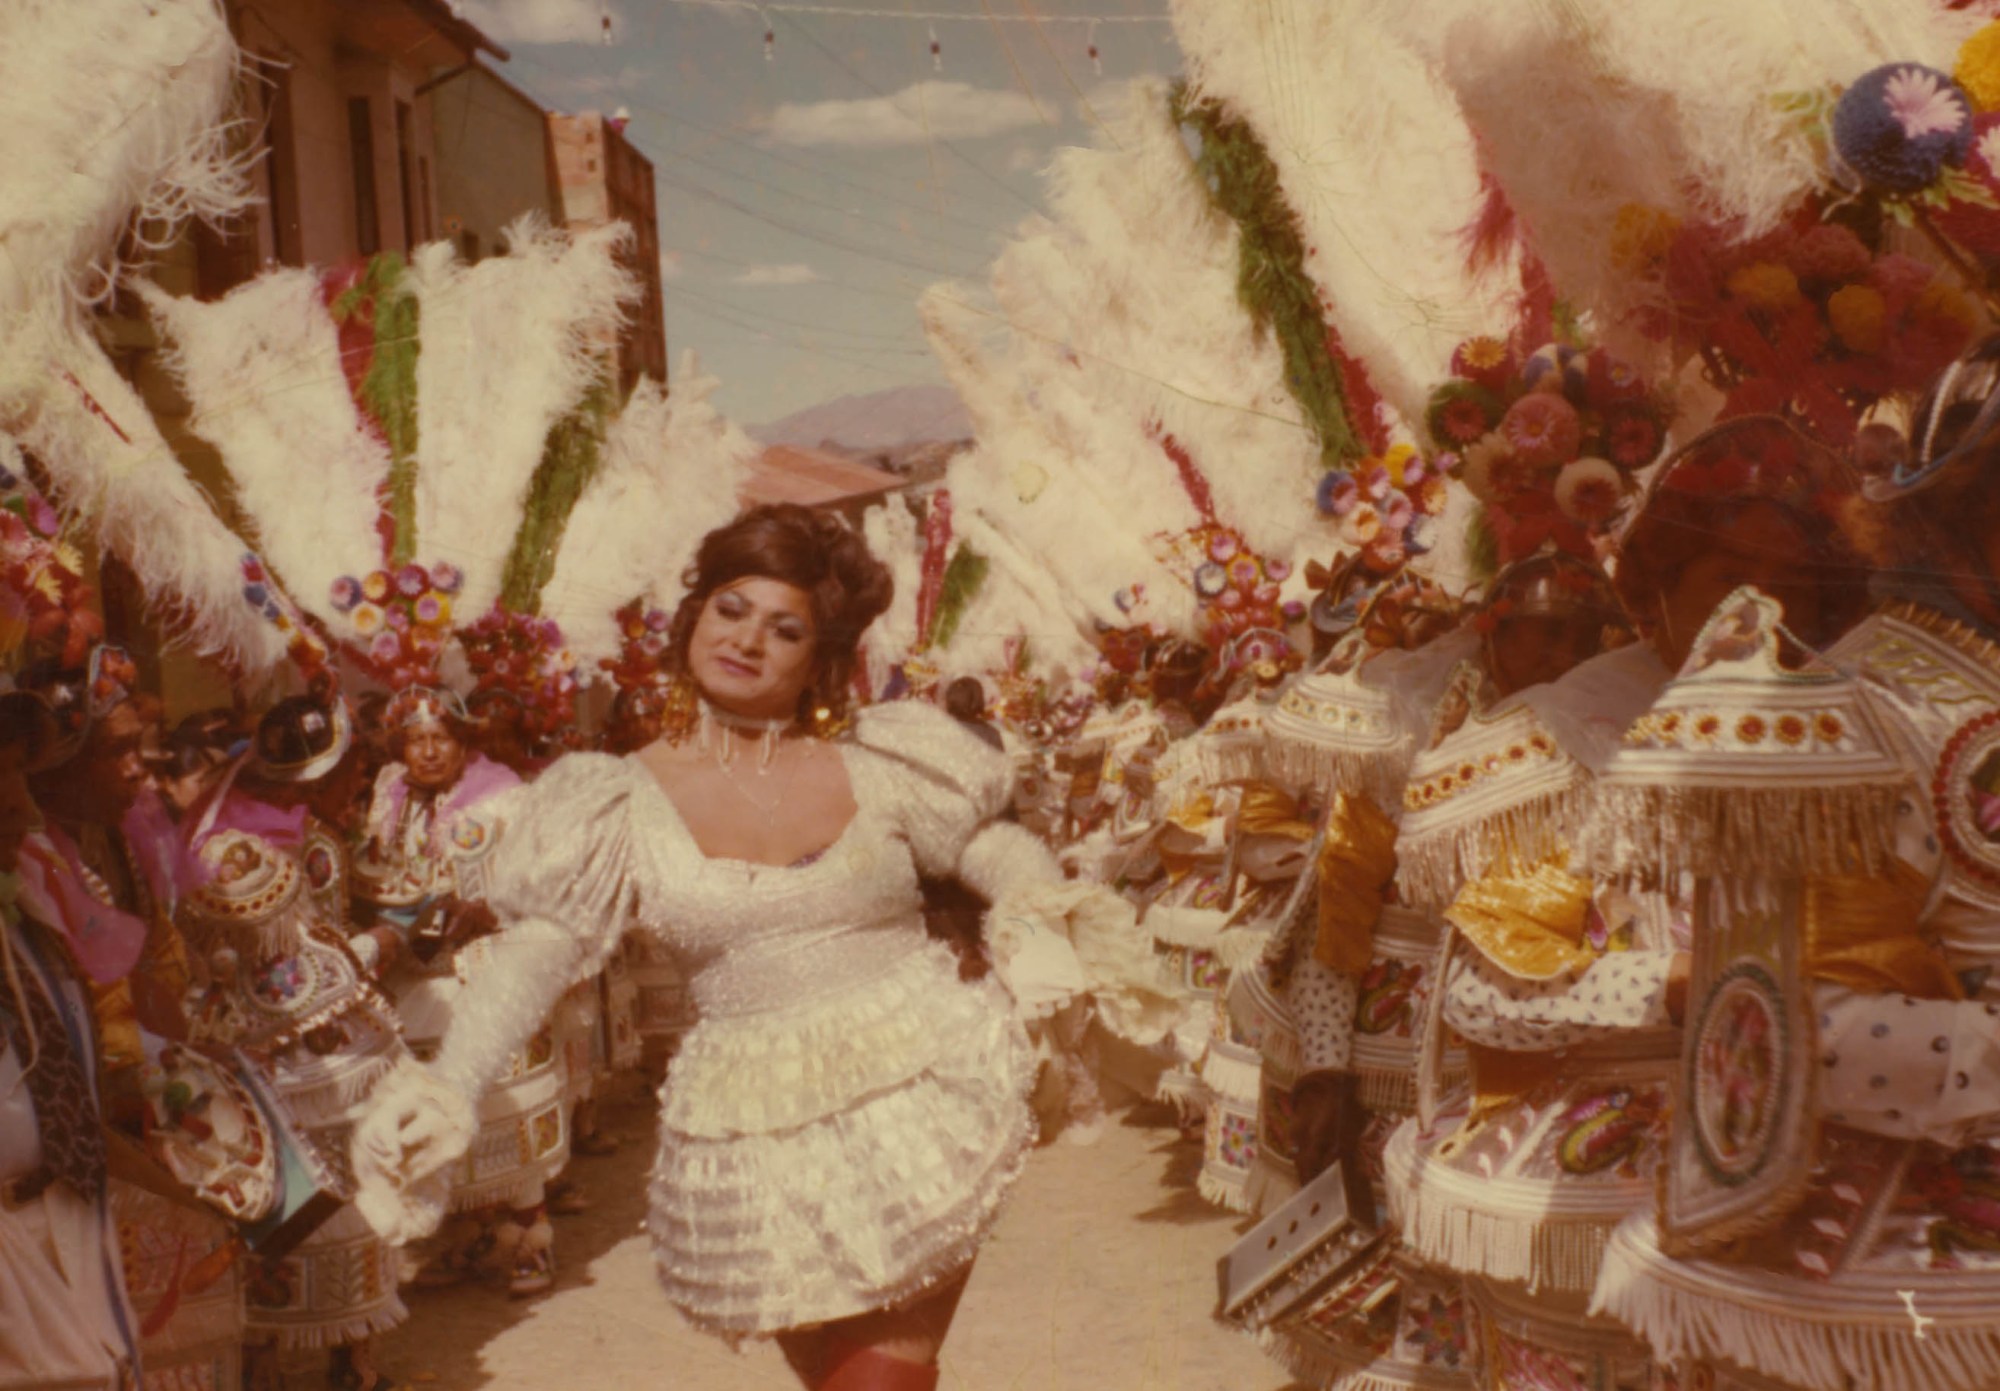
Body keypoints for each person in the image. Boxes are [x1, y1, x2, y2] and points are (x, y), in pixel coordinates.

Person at [352, 503, 1097, 1391]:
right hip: (752, 1129)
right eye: (731, 607)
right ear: (694, 616)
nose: (748, 639)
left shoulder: (884, 759)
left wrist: (1031, 915)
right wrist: (451, 1085)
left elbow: (989, 848)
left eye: (785, 629)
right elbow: (539, 946)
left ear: (818, 658)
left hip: (921, 1085)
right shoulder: (613, 798)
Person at [349, 685, 571, 1298]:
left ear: (463, 741)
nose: (426, 753)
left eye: (440, 739)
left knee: (502, 1102)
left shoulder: (504, 798)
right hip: (413, 973)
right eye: (414, 741)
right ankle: (470, 1235)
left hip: (483, 966)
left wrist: (486, 908)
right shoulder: (388, 795)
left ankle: (531, 1236)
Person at [0, 690, 143, 1391]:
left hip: (63, 1226)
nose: (15, 806)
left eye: (15, 775)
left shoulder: (29, 908)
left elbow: (70, 1096)